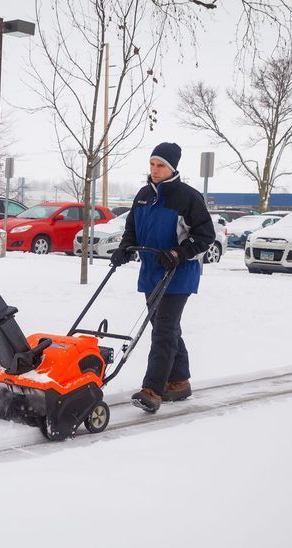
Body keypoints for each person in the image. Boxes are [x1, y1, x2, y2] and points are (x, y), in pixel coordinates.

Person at [110, 142, 215, 413]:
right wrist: (125, 249)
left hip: (179, 273)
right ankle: (179, 381)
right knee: (165, 328)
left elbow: (205, 237)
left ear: (172, 168)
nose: (155, 170)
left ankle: (153, 389)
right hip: (152, 272)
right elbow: (131, 228)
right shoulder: (144, 195)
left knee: (164, 330)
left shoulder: (188, 197)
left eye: (161, 166)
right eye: (152, 164)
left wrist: (179, 254)